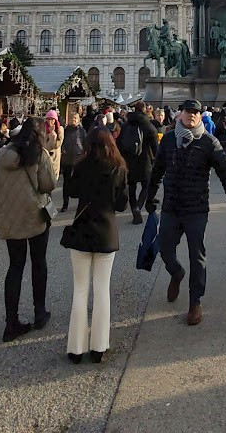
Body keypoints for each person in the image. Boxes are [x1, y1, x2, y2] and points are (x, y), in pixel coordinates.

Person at [145, 99, 226, 326]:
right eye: (188, 111)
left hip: (196, 208)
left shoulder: (209, 142)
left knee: (197, 255)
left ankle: (195, 301)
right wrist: (149, 197)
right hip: (171, 206)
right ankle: (176, 273)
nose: (192, 115)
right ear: (181, 114)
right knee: (165, 249)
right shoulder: (169, 140)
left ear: (200, 116)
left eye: (196, 112)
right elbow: (157, 169)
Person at [60, 128, 128, 363]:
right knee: (101, 290)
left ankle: (76, 348)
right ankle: (99, 346)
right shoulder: (118, 168)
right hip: (106, 231)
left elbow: (71, 191)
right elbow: (121, 205)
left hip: (82, 230)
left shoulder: (81, 166)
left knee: (80, 290)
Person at [0, 117, 57, 341]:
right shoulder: (39, 153)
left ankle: (11, 322)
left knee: (15, 266)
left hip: (10, 215)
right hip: (35, 213)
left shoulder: (3, 154)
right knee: (39, 262)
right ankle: (39, 311)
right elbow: (49, 184)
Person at [118, 104, 158, 225]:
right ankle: (138, 207)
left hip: (129, 161)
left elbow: (119, 143)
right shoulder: (148, 126)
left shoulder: (126, 125)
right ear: (145, 110)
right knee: (146, 186)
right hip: (145, 161)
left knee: (131, 187)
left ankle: (134, 209)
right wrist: (157, 159)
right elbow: (155, 147)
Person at [60, 112, 88, 213]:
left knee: (79, 182)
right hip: (67, 160)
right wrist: (62, 150)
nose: (74, 120)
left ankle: (81, 204)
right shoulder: (65, 130)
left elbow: (86, 143)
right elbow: (61, 142)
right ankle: (65, 204)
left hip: (78, 160)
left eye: (76, 118)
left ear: (79, 120)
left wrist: (85, 154)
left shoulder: (82, 131)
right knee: (66, 183)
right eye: (72, 118)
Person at [43, 110, 65, 180]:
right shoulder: (43, 129)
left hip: (55, 157)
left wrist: (52, 134)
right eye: (48, 119)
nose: (50, 122)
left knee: (53, 179)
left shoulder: (60, 129)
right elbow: (44, 145)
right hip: (45, 157)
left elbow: (57, 145)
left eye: (52, 119)